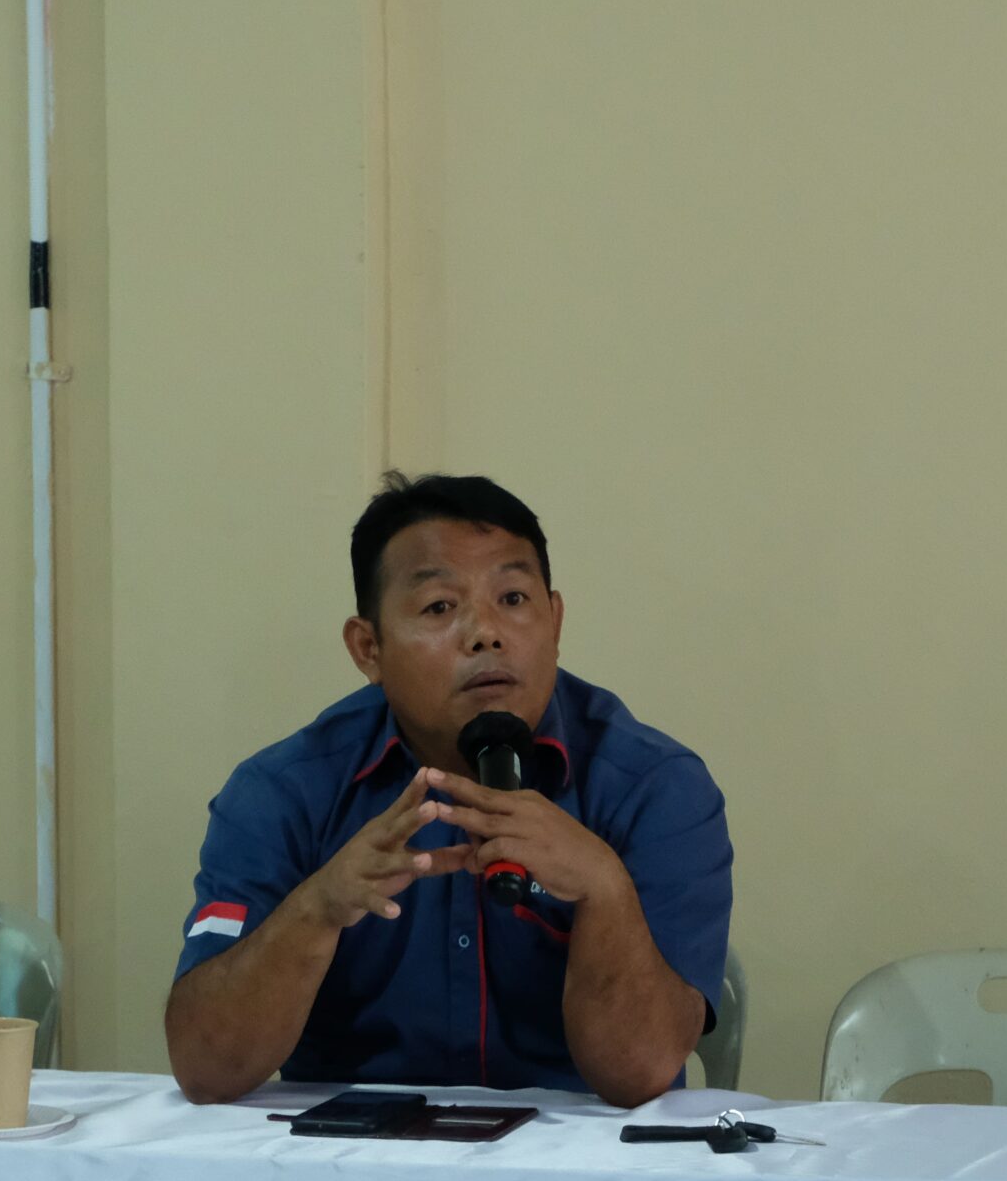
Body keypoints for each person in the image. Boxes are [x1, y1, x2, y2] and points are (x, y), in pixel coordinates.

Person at [165, 472, 732, 1108]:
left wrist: (603, 887)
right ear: (368, 648)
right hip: (351, 1155)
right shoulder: (283, 792)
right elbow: (205, 1068)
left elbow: (642, 1072)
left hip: (583, 1157)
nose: (486, 633)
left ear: (555, 619)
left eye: (513, 598)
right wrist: (317, 907)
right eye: (440, 607)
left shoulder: (656, 787)